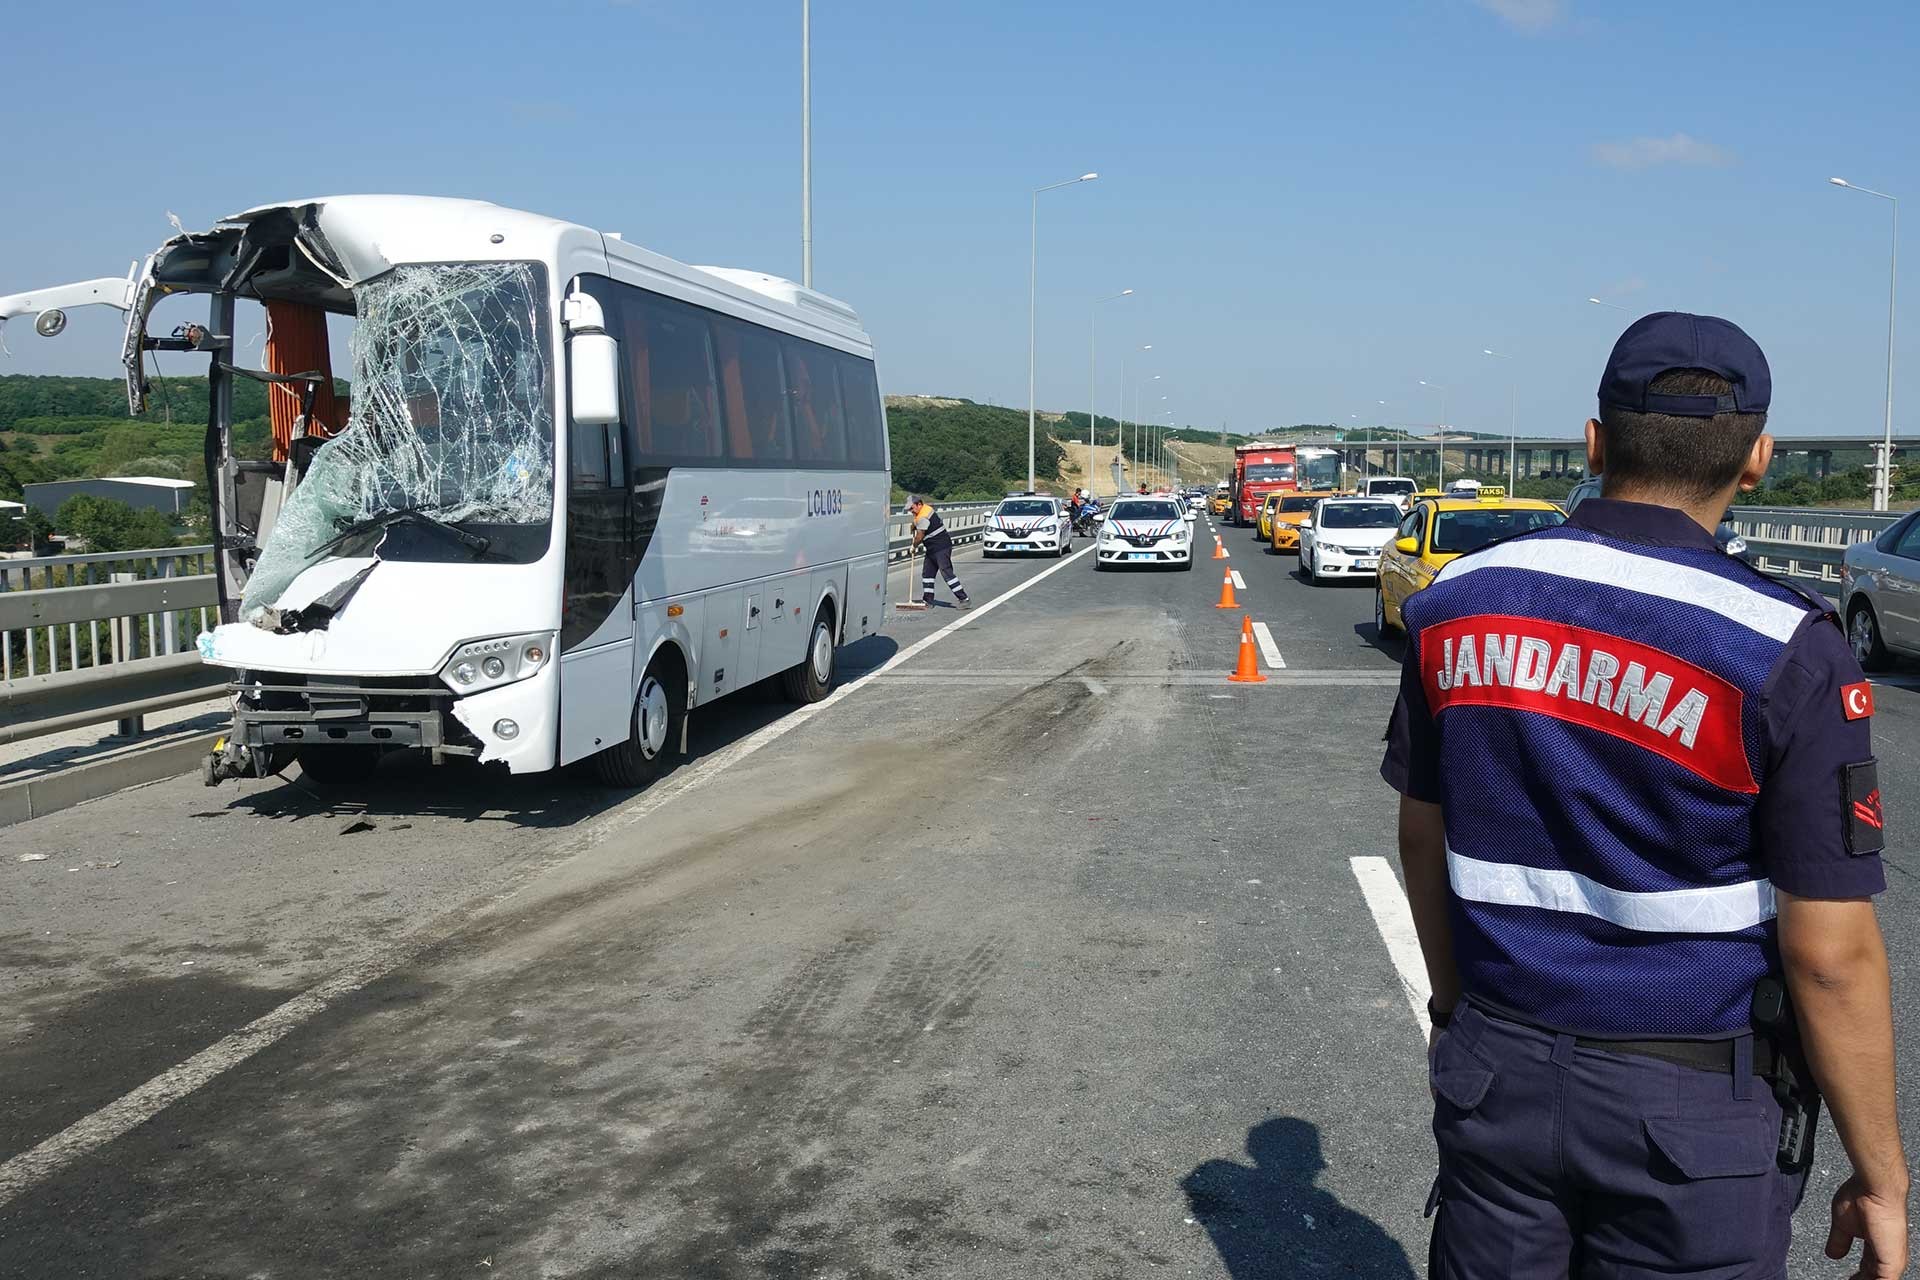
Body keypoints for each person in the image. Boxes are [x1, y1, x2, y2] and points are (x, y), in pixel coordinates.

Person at [1382, 312, 1907, 1279]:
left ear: (1593, 441)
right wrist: (1882, 1177)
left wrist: (1456, 1013)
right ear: (1758, 458)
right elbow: (1829, 955)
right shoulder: (1787, 646)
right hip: (1693, 1113)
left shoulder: (1457, 602)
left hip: (1496, 1071)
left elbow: (1424, 836)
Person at [907, 494, 970, 609]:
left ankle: (963, 598)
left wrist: (914, 546)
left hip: (941, 547)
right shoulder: (924, 510)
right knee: (928, 574)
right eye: (909, 509)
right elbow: (920, 524)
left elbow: (920, 536)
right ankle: (928, 600)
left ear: (919, 504)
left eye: (912, 508)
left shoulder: (923, 516)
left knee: (946, 572)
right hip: (932, 548)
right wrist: (914, 525)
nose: (910, 511)